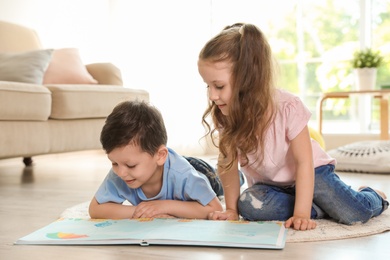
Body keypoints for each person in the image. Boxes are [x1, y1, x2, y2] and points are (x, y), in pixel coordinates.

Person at [197, 22, 388, 230]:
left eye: (219, 86)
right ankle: (321, 207)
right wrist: (232, 210)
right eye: (208, 86)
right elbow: (227, 165)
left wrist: (301, 214)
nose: (212, 96)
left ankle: (373, 196)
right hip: (272, 187)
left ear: (248, 79)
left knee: (354, 213)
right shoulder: (225, 114)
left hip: (314, 174)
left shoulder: (288, 107)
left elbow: (304, 162)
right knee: (249, 205)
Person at [89, 100, 224, 219]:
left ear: (159, 156)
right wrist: (141, 211)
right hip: (168, 163)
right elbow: (95, 209)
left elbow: (216, 208)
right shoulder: (122, 170)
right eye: (114, 163)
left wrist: (164, 206)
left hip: (200, 170)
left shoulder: (184, 175)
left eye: (131, 165)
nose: (121, 173)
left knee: (220, 181)